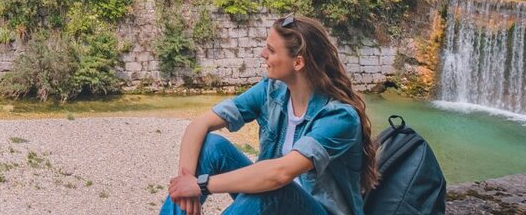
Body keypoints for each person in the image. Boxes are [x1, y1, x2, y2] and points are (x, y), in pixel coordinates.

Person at [160, 15, 378, 215]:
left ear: (298, 62)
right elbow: (199, 124)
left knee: (272, 188)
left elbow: (279, 174)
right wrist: (187, 182)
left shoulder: (339, 116)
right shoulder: (271, 91)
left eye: (271, 50)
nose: (262, 54)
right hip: (274, 200)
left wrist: (202, 184)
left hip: (315, 209)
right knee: (211, 146)